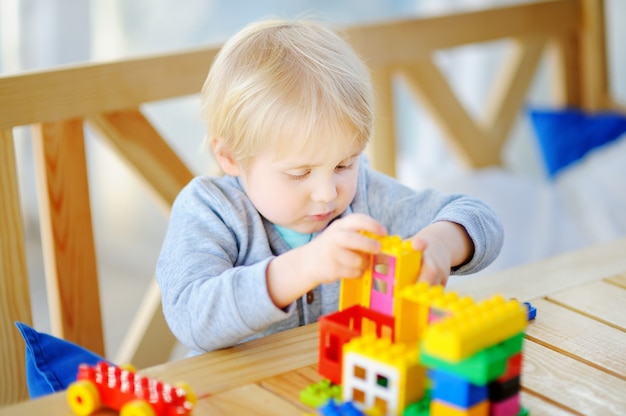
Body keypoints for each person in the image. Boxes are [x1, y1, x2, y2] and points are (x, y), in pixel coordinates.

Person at [156, 18, 504, 355]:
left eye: (343, 164)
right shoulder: (211, 210)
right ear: (230, 157)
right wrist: (304, 267)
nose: (328, 193)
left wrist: (443, 244)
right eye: (298, 173)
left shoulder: (367, 196)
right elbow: (191, 316)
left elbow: (480, 217)